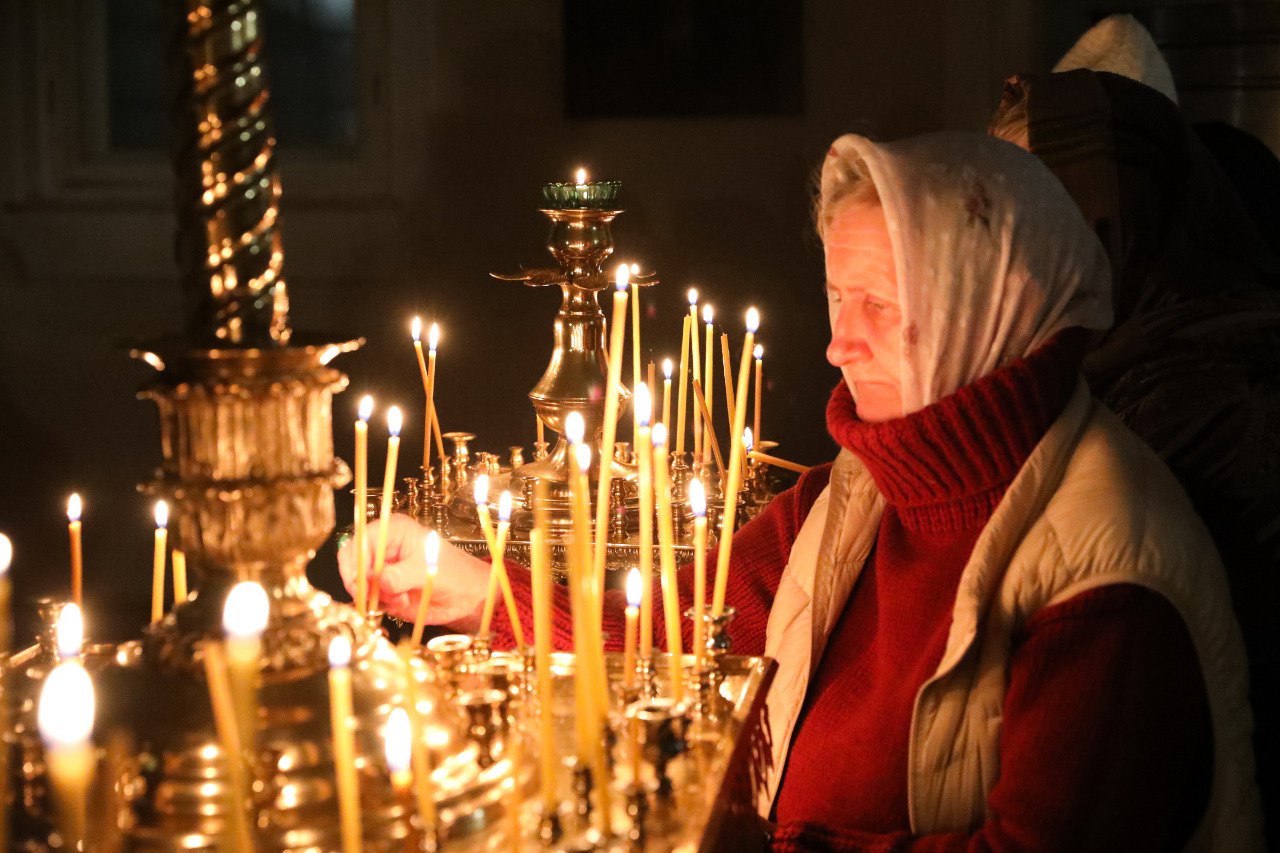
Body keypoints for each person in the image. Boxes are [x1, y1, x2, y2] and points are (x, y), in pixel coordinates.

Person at [343, 132, 1261, 849]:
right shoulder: (858, 492)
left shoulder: (1106, 572)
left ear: (992, 306)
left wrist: (749, 837)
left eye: (882, 310)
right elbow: (682, 629)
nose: (837, 345)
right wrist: (472, 589)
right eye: (836, 300)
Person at [991, 69, 1280, 844]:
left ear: (1108, 220)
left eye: (1025, 215)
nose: (994, 256)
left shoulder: (1217, 394)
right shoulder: (1110, 360)